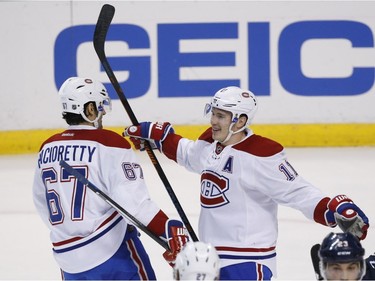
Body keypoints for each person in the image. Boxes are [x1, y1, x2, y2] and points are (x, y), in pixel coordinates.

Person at [123, 86, 370, 280]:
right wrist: (161, 137)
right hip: (209, 260)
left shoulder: (261, 155)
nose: (213, 121)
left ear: (240, 121)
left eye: (221, 116)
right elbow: (190, 154)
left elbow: (298, 192)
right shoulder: (211, 144)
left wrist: (331, 208)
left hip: (248, 262)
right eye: (213, 113)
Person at [32, 77, 188, 280]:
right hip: (112, 254)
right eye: (99, 107)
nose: (103, 113)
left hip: (68, 260)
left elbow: (41, 202)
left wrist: (71, 231)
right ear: (88, 110)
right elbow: (136, 205)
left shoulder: (47, 147)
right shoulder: (109, 142)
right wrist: (168, 229)